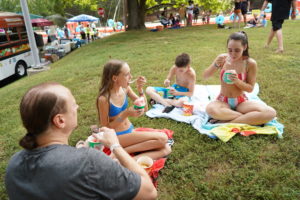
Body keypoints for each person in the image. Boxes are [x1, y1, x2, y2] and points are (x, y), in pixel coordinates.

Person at [5, 82, 157, 200]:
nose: (77, 107)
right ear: (60, 120)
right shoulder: (87, 161)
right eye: (73, 104)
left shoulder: (13, 166)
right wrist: (115, 145)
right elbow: (149, 192)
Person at [97, 60, 171, 160]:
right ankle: (121, 152)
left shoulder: (125, 89)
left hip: (130, 131)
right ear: (115, 78)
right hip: (116, 136)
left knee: (166, 149)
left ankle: (121, 156)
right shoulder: (104, 99)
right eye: (127, 74)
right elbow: (105, 128)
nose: (131, 77)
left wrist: (140, 90)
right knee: (163, 138)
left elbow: (145, 108)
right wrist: (125, 114)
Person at [203, 32, 277, 125]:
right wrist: (215, 65)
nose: (233, 54)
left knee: (270, 113)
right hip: (222, 100)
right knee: (211, 110)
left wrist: (237, 81)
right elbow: (205, 76)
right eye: (230, 50)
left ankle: (225, 122)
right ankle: (246, 118)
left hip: (241, 102)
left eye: (237, 50)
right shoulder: (222, 58)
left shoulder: (250, 63)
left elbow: (250, 89)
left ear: (244, 47)